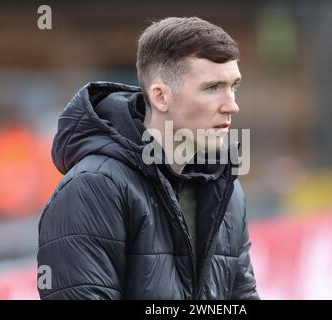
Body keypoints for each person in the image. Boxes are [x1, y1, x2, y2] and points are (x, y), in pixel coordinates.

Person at [37, 16, 259, 300]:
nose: (232, 105)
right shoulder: (92, 189)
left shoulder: (226, 188)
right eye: (212, 88)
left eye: (234, 86)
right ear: (160, 96)